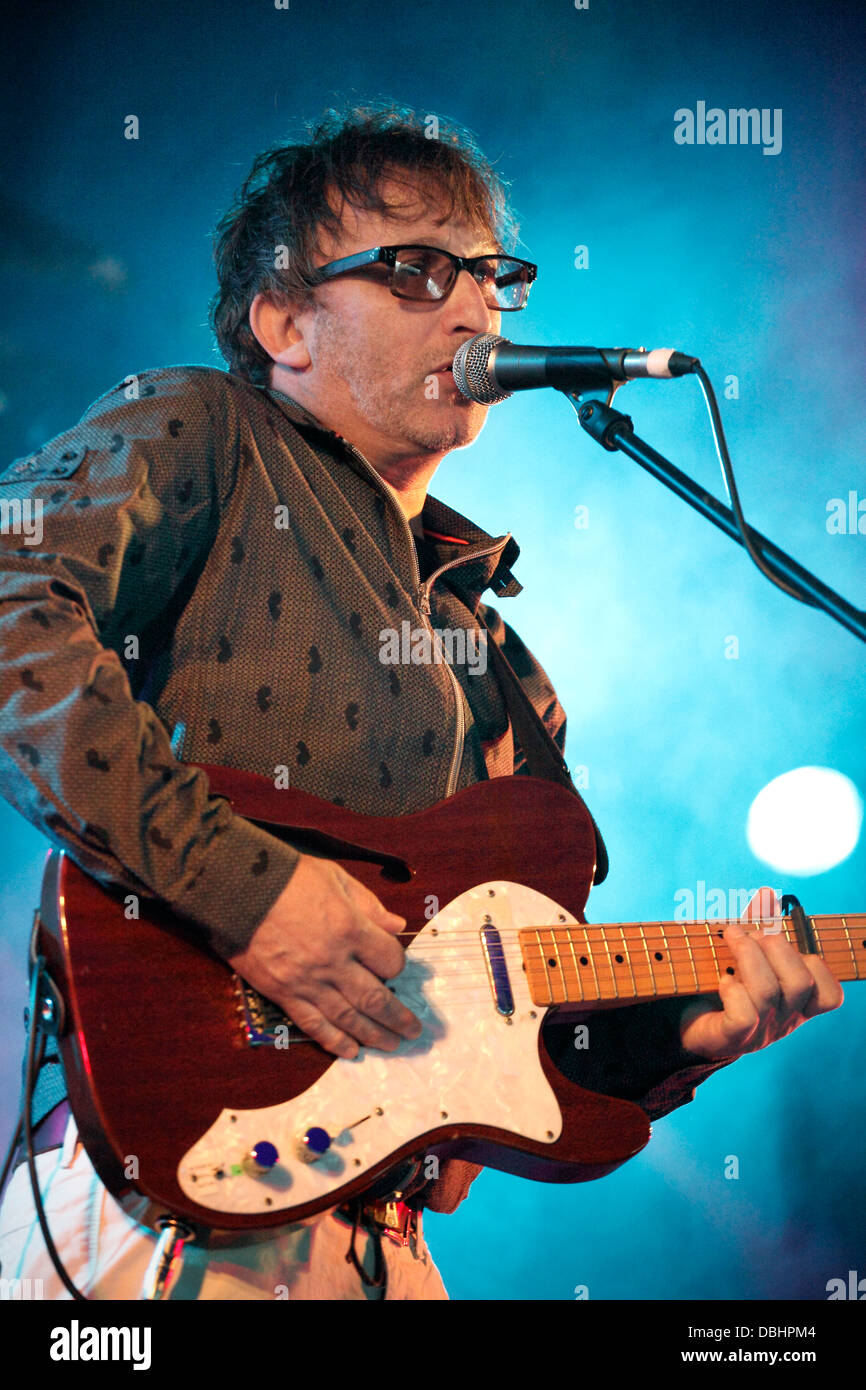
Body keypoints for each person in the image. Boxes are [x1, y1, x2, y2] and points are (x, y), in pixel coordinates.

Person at [0, 104, 843, 1301]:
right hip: (162, 1223)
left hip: (385, 1246)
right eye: (413, 270)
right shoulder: (206, 430)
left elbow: (504, 1029)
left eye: (492, 274)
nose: (474, 307)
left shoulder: (502, 663)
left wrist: (678, 1039)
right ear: (282, 321)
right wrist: (248, 891)